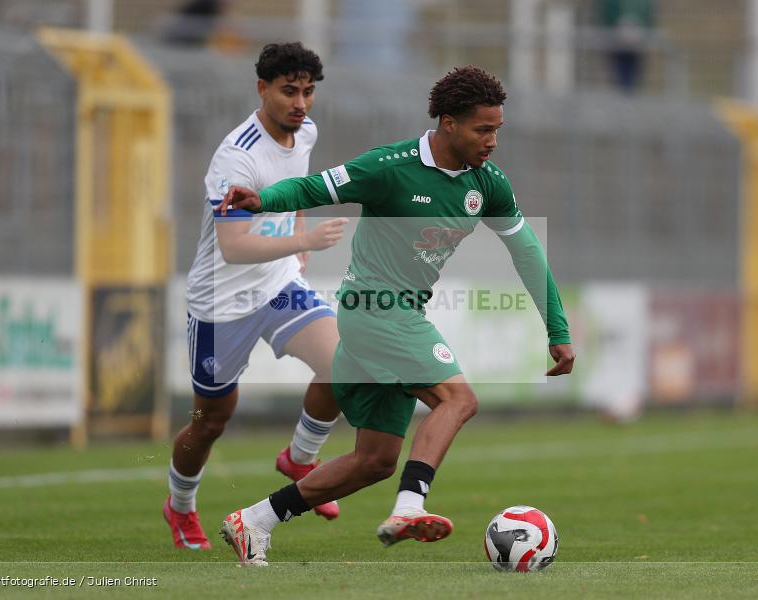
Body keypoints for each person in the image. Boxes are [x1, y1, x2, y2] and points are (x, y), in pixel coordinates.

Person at [215, 66, 575, 566]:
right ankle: (409, 507)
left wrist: (557, 328)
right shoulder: (390, 166)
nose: (492, 141)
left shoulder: (488, 184)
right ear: (449, 123)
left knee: (375, 460)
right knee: (459, 399)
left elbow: (527, 251)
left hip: (397, 315)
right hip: (375, 309)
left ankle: (254, 520)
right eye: (482, 130)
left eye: (497, 130)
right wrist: (263, 200)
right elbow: (316, 187)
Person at [164, 42, 349, 550]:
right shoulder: (236, 157)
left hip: (279, 285)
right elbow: (234, 246)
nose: (301, 103)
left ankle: (300, 459)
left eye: (308, 92)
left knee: (345, 364)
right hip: (221, 304)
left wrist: (298, 233)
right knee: (210, 421)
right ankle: (180, 506)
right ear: (262, 88)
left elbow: (298, 186)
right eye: (289, 91)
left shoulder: (305, 131)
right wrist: (305, 240)